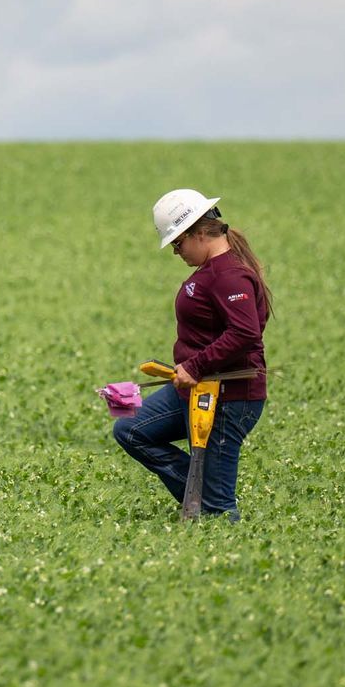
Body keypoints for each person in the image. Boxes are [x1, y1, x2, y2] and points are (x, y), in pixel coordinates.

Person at [112, 188, 271, 521]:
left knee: (217, 511)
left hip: (227, 397)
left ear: (198, 232)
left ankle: (213, 504)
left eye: (177, 244)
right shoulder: (214, 271)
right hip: (193, 389)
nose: (176, 252)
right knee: (130, 429)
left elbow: (246, 333)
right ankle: (200, 491)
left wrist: (197, 364)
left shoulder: (230, 276)